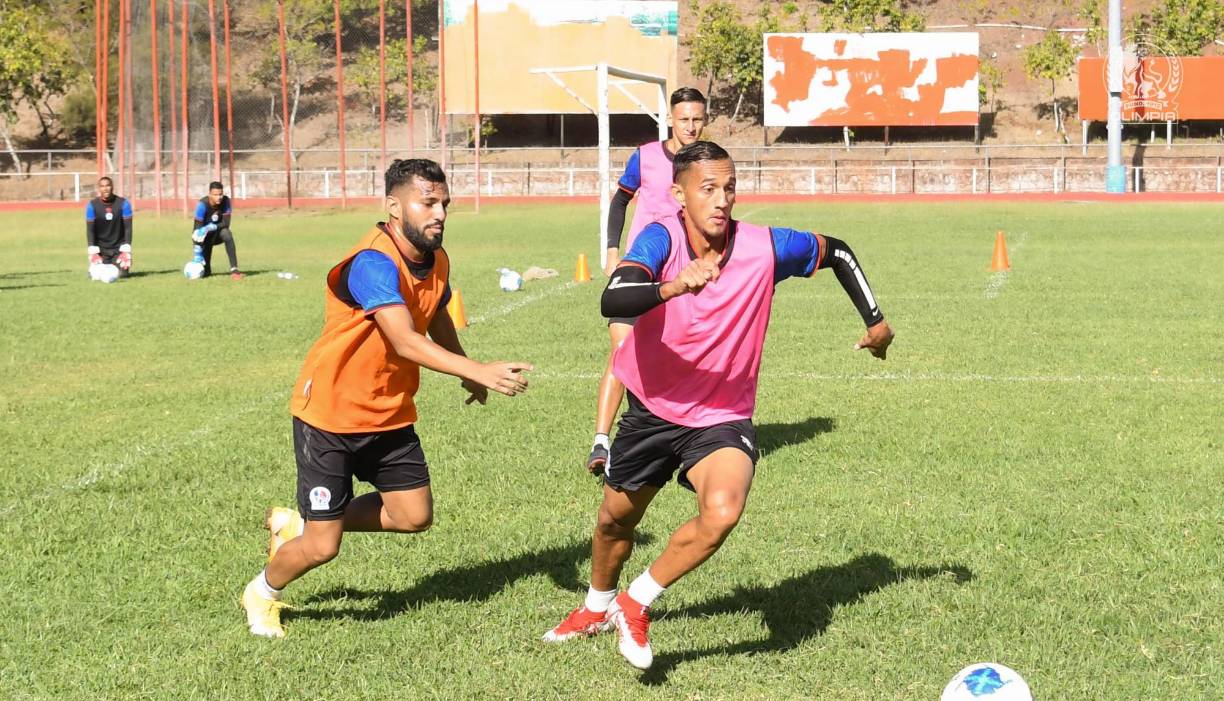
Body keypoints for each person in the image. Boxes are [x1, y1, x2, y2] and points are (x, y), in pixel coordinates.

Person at [544, 141, 895, 670]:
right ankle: (597, 607)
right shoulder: (659, 238)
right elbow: (612, 300)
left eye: (729, 188)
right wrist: (672, 286)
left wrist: (876, 321)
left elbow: (838, 250)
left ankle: (635, 601)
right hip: (652, 408)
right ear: (678, 193)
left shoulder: (764, 247)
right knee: (615, 522)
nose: (721, 199)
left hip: (722, 415)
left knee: (723, 510)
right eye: (708, 188)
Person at [240, 158, 533, 638]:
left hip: (390, 411)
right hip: (330, 415)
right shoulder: (372, 262)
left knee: (413, 515)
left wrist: (466, 370)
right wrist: (476, 369)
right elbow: (403, 340)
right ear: (393, 206)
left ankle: (304, 521)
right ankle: (262, 592)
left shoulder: (436, 257)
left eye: (444, 204)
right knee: (322, 547)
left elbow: (435, 311)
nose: (438, 214)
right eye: (427, 203)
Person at [587, 87, 709, 476]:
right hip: (641, 269)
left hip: (685, 273)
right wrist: (611, 249)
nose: (690, 126)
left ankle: (685, 435)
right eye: (683, 118)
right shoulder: (646, 156)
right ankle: (602, 442)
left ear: (705, 120)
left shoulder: (706, 162)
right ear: (671, 118)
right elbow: (621, 199)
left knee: (685, 353)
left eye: (697, 119)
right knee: (623, 350)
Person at [85, 176, 133, 278]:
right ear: (99, 189)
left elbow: (128, 228)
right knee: (95, 276)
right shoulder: (92, 205)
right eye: (102, 186)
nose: (105, 188)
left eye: (108, 185)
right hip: (101, 250)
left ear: (112, 187)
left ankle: (120, 266)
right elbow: (90, 230)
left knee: (122, 275)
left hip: (118, 249)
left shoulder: (124, 204)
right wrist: (92, 250)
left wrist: (126, 249)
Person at [192, 181, 240, 278]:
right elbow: (196, 230)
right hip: (205, 237)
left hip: (218, 234)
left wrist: (212, 226)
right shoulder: (202, 205)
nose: (219, 197)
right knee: (206, 273)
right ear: (209, 194)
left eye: (220, 194)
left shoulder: (226, 201)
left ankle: (234, 270)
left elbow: (226, 223)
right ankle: (206, 268)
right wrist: (197, 252)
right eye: (215, 195)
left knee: (227, 233)